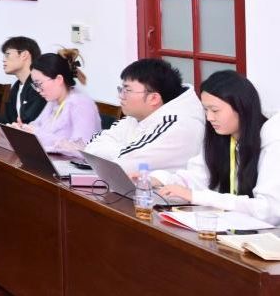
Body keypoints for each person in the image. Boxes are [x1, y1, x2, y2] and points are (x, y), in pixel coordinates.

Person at [148, 71, 280, 225]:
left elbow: (269, 211)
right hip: (234, 227)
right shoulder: (221, 135)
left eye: (215, 110)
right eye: (205, 110)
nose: (209, 117)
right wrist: (157, 179)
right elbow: (198, 178)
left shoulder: (273, 140)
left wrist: (197, 196)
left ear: (241, 107)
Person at [84, 58, 205, 173]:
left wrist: (121, 151)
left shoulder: (178, 126)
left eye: (127, 90)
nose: (120, 96)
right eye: (121, 89)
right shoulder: (138, 114)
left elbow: (125, 165)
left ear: (154, 98)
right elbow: (91, 145)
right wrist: (123, 150)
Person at [15, 50, 100, 155]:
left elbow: (83, 151)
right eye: (35, 85)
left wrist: (37, 134)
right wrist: (22, 129)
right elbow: (37, 126)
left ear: (59, 79)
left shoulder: (81, 104)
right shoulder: (54, 101)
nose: (37, 90)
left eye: (39, 83)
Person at [0, 36, 46, 125]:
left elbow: (29, 122)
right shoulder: (16, 86)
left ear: (24, 55)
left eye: (7, 54)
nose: (3, 60)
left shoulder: (38, 86)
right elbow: (6, 120)